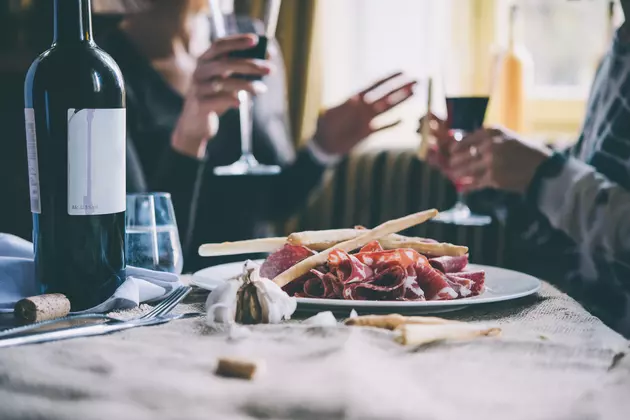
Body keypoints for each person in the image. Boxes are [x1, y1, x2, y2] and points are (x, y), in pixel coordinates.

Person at [92, 0, 415, 271]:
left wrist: (322, 149)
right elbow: (139, 252)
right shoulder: (99, 69)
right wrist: (189, 137)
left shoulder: (252, 41)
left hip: (260, 282)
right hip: (177, 294)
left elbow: (274, 203)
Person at [421, 1, 630, 336]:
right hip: (576, 319)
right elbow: (576, 226)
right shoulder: (619, 47)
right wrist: (485, 176)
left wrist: (545, 174)